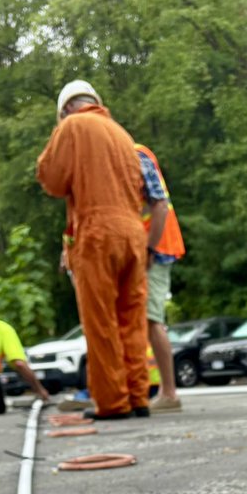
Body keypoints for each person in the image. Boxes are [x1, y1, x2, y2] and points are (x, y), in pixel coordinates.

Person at [36, 80, 149, 420]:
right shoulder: (122, 134)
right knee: (132, 321)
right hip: (133, 234)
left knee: (101, 322)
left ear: (66, 109)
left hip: (98, 233)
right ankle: (138, 396)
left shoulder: (74, 126)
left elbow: (52, 180)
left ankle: (113, 402)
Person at [136, 142, 185, 413]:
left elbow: (159, 206)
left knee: (152, 319)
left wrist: (150, 250)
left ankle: (169, 393)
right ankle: (159, 391)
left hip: (155, 248)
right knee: (145, 319)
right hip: (148, 247)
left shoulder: (135, 154)